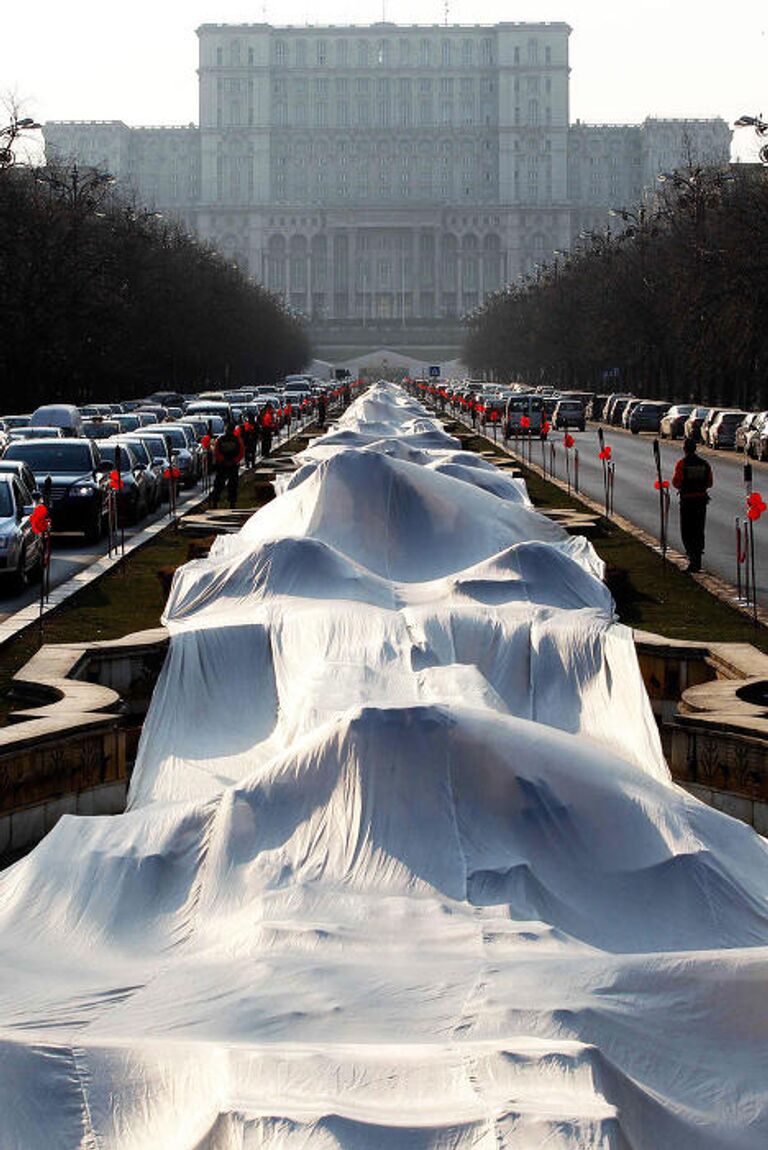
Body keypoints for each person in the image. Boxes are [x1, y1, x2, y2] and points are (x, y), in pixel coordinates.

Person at [672, 436, 713, 572]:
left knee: (687, 530)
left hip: (687, 500)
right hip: (701, 501)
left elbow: (676, 482)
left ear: (684, 449)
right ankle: (698, 558)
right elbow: (709, 483)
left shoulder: (682, 464)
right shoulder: (705, 464)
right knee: (699, 529)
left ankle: (692, 558)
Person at [210, 421, 244, 509]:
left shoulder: (221, 439)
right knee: (227, 484)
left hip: (224, 465)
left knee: (223, 484)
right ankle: (220, 501)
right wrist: (233, 461)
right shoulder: (236, 440)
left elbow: (216, 452)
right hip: (229, 465)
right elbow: (241, 453)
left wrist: (224, 460)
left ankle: (220, 502)